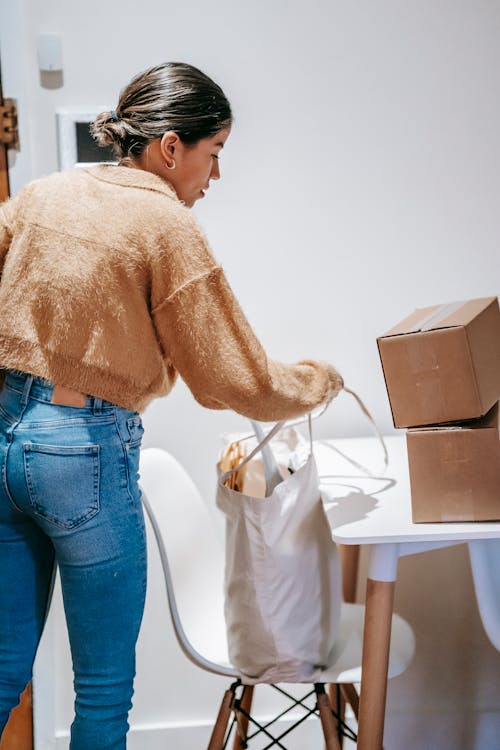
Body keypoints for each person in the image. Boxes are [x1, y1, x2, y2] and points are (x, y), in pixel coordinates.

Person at [0, 61, 343, 749]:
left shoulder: (39, 196)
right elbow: (231, 380)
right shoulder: (165, 224)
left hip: (7, 437)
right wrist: (320, 380)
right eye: (213, 155)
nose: (213, 178)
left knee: (3, 670)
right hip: (85, 452)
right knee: (101, 691)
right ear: (170, 147)